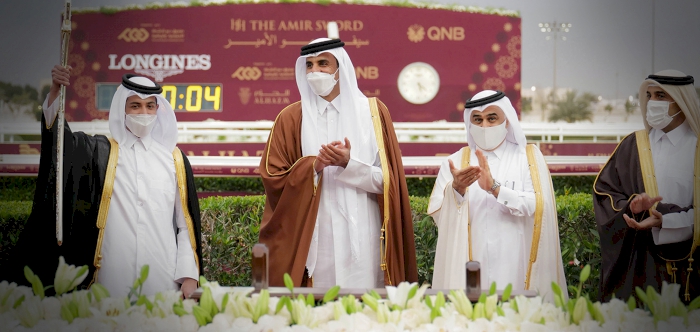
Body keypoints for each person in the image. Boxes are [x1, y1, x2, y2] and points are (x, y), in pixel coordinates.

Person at [7, 65, 203, 298]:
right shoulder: (100, 154)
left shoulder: (175, 160)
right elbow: (61, 144)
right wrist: (55, 93)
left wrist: (189, 276)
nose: (144, 112)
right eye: (135, 105)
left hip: (163, 277)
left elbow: (185, 226)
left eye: (150, 106)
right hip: (110, 279)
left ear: (158, 110)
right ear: (123, 109)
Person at [259, 38, 418, 288]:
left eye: (323, 63)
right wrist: (313, 167)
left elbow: (388, 182)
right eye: (309, 65)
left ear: (340, 68)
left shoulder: (373, 113)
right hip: (314, 237)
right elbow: (273, 178)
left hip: (364, 236)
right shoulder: (290, 118)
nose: (315, 72)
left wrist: (348, 164)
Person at [430, 90, 566, 300]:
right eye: (478, 119)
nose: (484, 126)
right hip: (470, 262)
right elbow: (438, 213)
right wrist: (456, 190)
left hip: (515, 259)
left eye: (492, 118)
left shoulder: (527, 157)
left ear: (507, 121)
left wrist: (495, 188)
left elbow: (538, 206)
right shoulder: (454, 162)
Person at [594, 70, 699, 303]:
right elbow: (605, 193)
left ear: (681, 100)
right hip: (639, 263)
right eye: (649, 95)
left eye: (661, 95)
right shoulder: (634, 145)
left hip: (690, 267)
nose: (653, 102)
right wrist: (631, 207)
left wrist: (667, 220)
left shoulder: (697, 148)